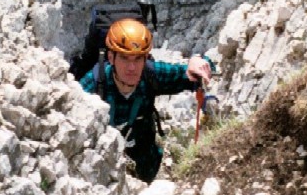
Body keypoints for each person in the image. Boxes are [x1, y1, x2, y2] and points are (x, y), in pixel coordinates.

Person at [80, 18, 212, 182]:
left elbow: (192, 73)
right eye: (125, 58)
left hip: (146, 167)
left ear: (145, 59)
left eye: (137, 59)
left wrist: (197, 63)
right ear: (111, 57)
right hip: (104, 175)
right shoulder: (93, 85)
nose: (132, 68)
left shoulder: (150, 75)